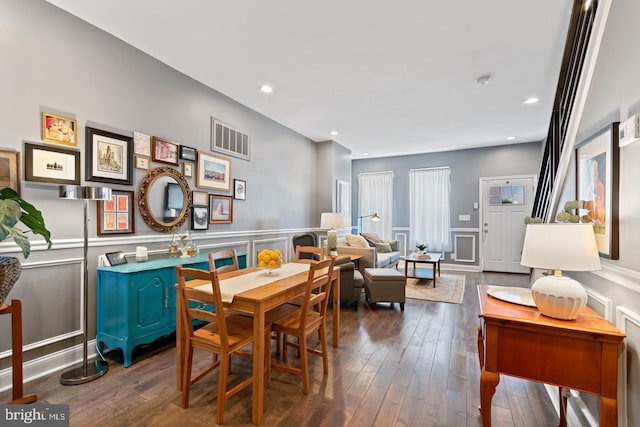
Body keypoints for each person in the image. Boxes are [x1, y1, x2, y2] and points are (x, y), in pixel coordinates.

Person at [585, 158, 605, 224]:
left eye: (595, 174)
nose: (594, 176)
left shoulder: (601, 186)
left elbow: (602, 202)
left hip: (600, 215)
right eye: (593, 174)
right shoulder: (589, 189)